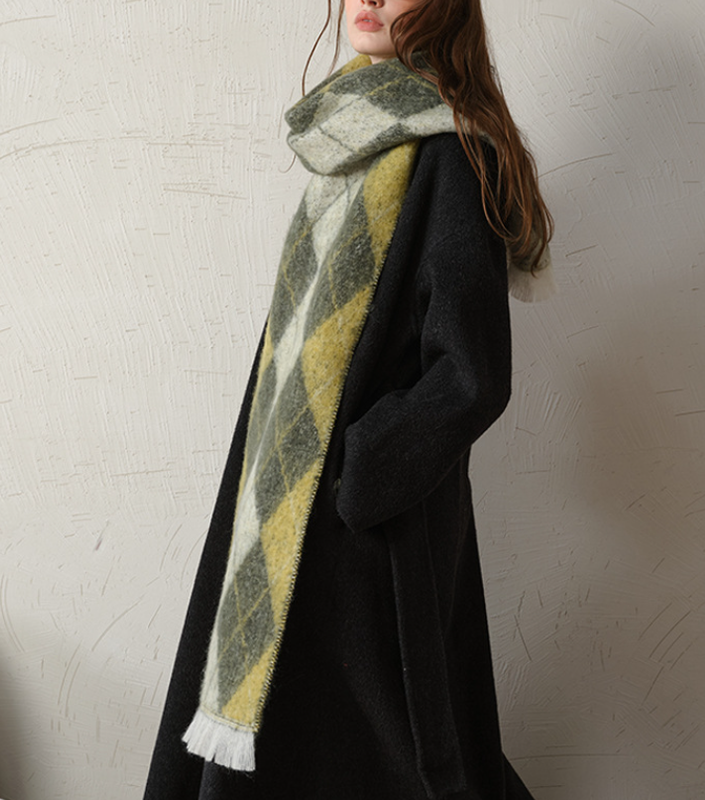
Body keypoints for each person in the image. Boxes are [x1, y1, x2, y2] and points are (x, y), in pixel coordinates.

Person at [143, 0, 554, 798]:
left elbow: (471, 373)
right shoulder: (354, 141)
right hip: (289, 509)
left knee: (380, 758)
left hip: (363, 534)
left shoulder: (449, 154)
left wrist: (362, 474)